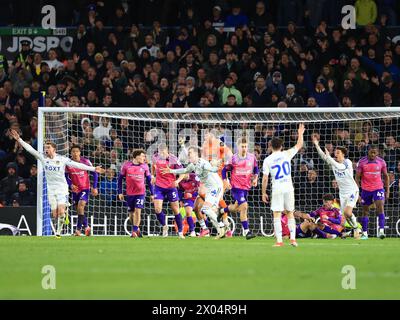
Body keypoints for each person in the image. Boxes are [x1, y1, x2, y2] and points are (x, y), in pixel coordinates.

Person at [9, 129, 105, 238]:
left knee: (61, 212)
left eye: (48, 148)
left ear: (54, 149)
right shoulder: (43, 158)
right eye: (45, 148)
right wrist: (19, 139)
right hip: (51, 189)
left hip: (62, 188)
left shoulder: (62, 159)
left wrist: (93, 168)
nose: (46, 149)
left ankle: (58, 233)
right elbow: (30, 149)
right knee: (55, 214)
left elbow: (77, 165)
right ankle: (65, 212)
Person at [162, 146, 227, 239]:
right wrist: (171, 170)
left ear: (196, 154)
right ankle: (221, 228)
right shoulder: (193, 165)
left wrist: (217, 165)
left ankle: (221, 226)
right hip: (209, 188)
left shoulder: (203, 163)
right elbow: (184, 170)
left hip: (216, 187)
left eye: (190, 153)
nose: (188, 154)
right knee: (206, 209)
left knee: (206, 209)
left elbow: (213, 170)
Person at [262, 123, 305, 247]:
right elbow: (299, 145)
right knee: (290, 212)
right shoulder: (286, 154)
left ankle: (280, 241)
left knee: (277, 213)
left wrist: (263, 192)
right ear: (281, 146)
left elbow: (265, 179)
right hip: (288, 188)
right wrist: (300, 133)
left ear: (271, 146)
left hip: (277, 189)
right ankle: (293, 239)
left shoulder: (267, 160)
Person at [313, 137, 361, 239]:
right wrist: (317, 145)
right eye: (335, 152)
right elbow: (323, 156)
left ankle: (357, 229)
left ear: (343, 154)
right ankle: (352, 230)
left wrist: (329, 158)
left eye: (338, 152)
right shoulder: (333, 162)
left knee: (348, 212)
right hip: (342, 193)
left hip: (352, 190)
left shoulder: (347, 162)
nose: (336, 154)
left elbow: (340, 167)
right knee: (345, 217)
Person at [222, 137, 259, 239]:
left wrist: (255, 179)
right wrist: (226, 181)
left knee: (236, 208)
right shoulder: (233, 158)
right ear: (238, 147)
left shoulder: (252, 157)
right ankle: (247, 232)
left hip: (246, 188)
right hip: (236, 187)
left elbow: (256, 169)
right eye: (242, 146)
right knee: (244, 206)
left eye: (245, 146)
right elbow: (224, 171)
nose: (244, 148)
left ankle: (222, 211)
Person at [355, 145, 389, 239]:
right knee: (365, 211)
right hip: (366, 190)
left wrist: (387, 191)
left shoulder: (381, 162)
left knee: (380, 207)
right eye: (371, 152)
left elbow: (386, 176)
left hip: (378, 188)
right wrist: (357, 193)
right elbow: (357, 178)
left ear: (377, 152)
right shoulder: (362, 162)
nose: (373, 154)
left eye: (375, 152)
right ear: (368, 151)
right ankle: (365, 233)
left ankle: (381, 231)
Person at [118, 149, 154, 238]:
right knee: (131, 215)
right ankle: (136, 228)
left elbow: (149, 181)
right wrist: (120, 192)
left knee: (138, 212)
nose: (144, 158)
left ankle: (133, 232)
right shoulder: (126, 165)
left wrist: (152, 193)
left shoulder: (145, 166)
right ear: (136, 156)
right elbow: (120, 179)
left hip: (141, 193)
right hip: (129, 194)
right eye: (142, 156)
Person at [151, 143, 184, 238]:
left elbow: (182, 171)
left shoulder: (174, 159)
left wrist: (177, 180)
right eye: (160, 151)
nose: (161, 153)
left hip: (171, 187)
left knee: (176, 210)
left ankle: (180, 232)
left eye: (163, 152)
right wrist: (153, 176)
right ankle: (164, 226)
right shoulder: (155, 157)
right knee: (157, 209)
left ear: (167, 151)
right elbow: (153, 166)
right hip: (159, 187)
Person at [65, 145, 99, 236]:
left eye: (77, 151)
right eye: (73, 151)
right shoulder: (68, 163)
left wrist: (94, 186)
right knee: (79, 209)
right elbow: (66, 176)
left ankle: (78, 230)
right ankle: (87, 227)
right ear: (71, 153)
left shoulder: (86, 161)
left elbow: (95, 173)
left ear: (80, 152)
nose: (75, 153)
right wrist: (70, 184)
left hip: (85, 187)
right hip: (75, 189)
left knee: (81, 206)